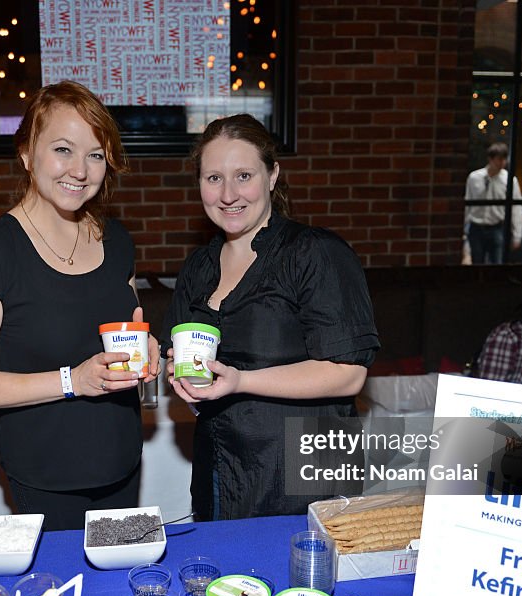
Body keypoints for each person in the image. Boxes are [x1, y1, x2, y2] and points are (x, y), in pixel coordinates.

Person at [0, 81, 158, 530]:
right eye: (63, 149)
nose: (80, 170)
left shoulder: (116, 241)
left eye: (96, 154)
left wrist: (146, 345)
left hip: (122, 461)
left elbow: (124, 329)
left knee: (122, 587)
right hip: (48, 476)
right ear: (26, 153)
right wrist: (72, 380)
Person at [161, 114, 380, 521]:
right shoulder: (198, 268)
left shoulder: (315, 253)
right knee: (223, 581)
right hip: (220, 470)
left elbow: (348, 373)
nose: (228, 194)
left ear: (272, 175)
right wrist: (182, 377)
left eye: (243, 175)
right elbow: (183, 353)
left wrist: (241, 381)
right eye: (213, 178)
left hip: (304, 477)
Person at [464, 142, 522, 264]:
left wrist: (517, 234)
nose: (502, 163)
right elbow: (468, 203)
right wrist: (464, 231)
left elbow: (516, 208)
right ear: (490, 159)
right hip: (476, 226)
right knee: (477, 263)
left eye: (504, 159)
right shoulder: (474, 177)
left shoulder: (509, 180)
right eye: (499, 159)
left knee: (498, 263)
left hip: (497, 227)